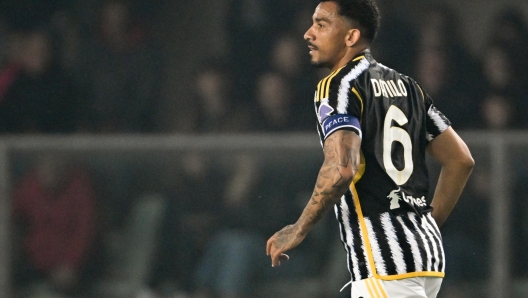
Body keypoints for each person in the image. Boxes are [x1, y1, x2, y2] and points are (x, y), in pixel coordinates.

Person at [266, 1, 475, 298]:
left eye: (322, 24)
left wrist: (298, 228)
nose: (308, 33)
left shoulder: (337, 86)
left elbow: (341, 168)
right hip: (427, 257)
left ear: (351, 37)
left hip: (384, 266)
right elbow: (460, 160)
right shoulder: (408, 87)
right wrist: (423, 225)